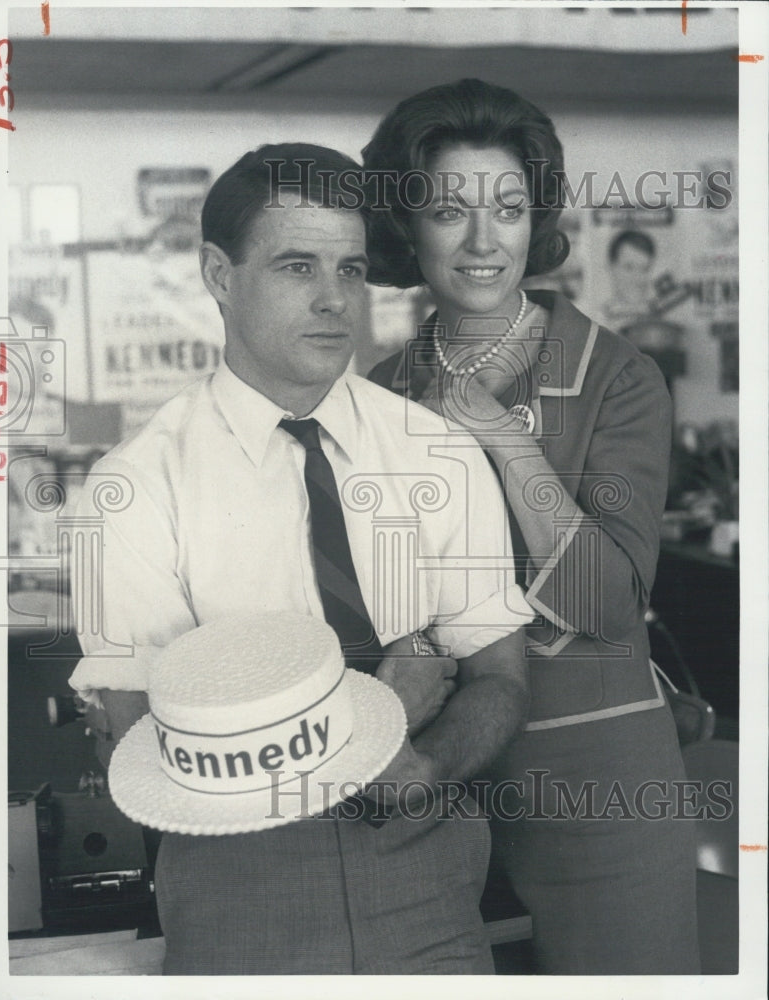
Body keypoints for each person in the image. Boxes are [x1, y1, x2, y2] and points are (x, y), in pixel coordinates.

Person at [68, 143, 537, 975]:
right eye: (296, 266)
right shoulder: (134, 486)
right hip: (239, 883)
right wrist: (369, 718)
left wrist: (421, 765)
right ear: (219, 273)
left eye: (350, 270)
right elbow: (130, 744)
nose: (333, 302)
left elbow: (499, 674)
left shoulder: (439, 453)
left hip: (427, 868)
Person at [364, 79, 701, 975]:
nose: (483, 241)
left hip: (595, 785)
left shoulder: (617, 378)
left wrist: (506, 440)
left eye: (509, 209)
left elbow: (607, 603)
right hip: (430, 787)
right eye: (449, 211)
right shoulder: (373, 391)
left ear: (537, 217)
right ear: (408, 225)